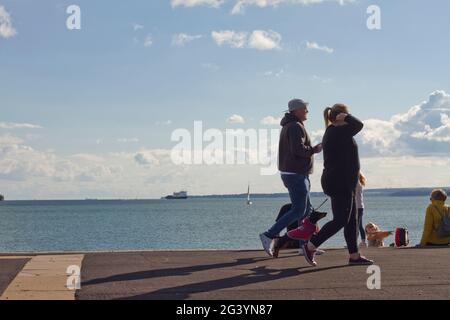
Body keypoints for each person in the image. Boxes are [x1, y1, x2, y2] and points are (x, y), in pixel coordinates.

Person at [292, 104, 374, 266]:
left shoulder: (335, 132)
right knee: (341, 219)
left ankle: (354, 255)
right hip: (339, 182)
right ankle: (310, 246)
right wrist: (347, 118)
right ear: (341, 116)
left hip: (343, 182)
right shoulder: (338, 131)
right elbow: (359, 125)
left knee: (351, 219)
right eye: (346, 115)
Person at [259, 98, 323, 257]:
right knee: (299, 210)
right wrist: (315, 149)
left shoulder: (291, 125)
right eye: (304, 108)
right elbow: (298, 150)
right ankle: (269, 234)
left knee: (306, 211)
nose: (307, 111)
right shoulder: (295, 126)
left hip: (295, 173)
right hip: (296, 174)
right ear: (296, 110)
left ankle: (304, 245)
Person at [355, 172, 367, 247]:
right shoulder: (359, 183)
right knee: (359, 225)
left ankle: (354, 243)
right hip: (360, 207)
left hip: (357, 207)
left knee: (356, 225)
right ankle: (363, 242)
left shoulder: (356, 183)